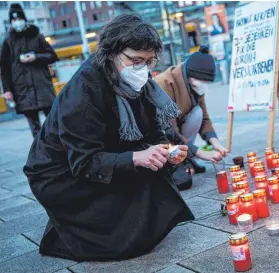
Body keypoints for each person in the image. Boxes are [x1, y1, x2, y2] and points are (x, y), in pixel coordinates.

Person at [23, 14, 193, 261]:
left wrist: (168, 150)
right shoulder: (84, 89)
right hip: (59, 173)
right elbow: (83, 162)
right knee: (119, 242)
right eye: (135, 60)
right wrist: (135, 157)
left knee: (154, 171)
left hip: (102, 152)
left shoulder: (136, 80)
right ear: (112, 52)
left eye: (148, 61)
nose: (142, 69)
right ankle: (69, 235)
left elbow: (153, 128)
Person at [155, 46, 228, 181]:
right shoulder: (165, 84)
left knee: (197, 113)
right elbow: (169, 131)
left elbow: (204, 119)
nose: (205, 85)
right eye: (203, 81)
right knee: (183, 180)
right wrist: (199, 153)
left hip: (176, 134)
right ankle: (181, 158)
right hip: (161, 138)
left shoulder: (195, 86)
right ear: (191, 76)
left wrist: (215, 142)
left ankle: (185, 155)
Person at [1, 3, 58, 137]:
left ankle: (60, 150)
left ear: (24, 19)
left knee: (54, 124)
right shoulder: (8, 41)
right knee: (36, 130)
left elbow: (53, 55)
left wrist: (35, 57)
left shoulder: (36, 35)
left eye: (18, 19)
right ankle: (43, 156)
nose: (16, 22)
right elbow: (4, 68)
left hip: (42, 88)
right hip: (22, 91)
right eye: (13, 20)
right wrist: (7, 89)